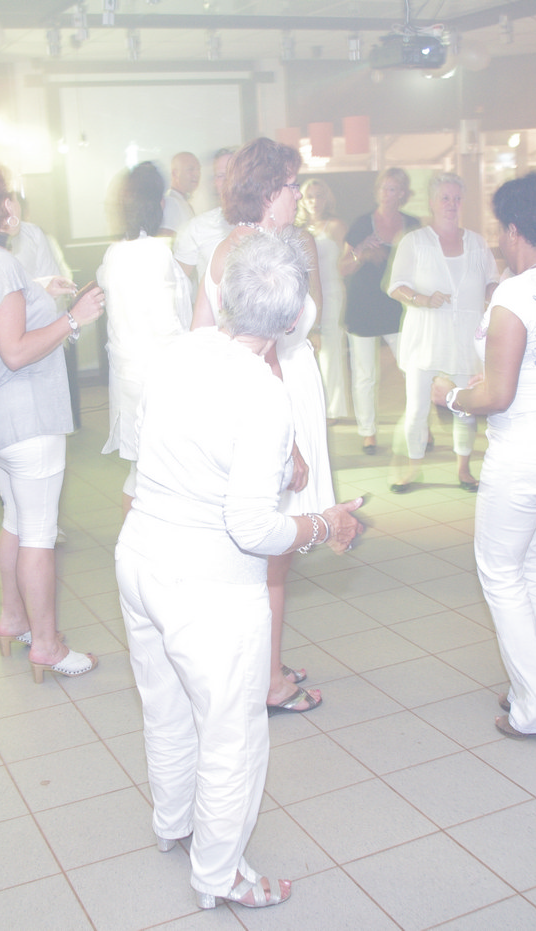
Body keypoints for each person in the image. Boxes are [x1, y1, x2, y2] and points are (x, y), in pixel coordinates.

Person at [117, 232, 362, 911]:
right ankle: (219, 874)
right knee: (232, 734)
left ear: (222, 294)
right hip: (211, 589)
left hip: (141, 558)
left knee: (164, 705)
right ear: (292, 319)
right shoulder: (263, 393)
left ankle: (174, 821)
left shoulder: (179, 351)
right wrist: (324, 525)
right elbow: (252, 527)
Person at [432, 173, 536, 741]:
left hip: (529, 449)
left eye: (502, 227)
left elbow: (497, 396)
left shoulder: (513, 295)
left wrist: (451, 397)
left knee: (501, 573)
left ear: (515, 229)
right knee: (530, 565)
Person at [0, 157, 105, 683]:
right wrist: (73, 318)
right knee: (38, 533)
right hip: (27, 420)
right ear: (5, 205)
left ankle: (13, 620)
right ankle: (47, 646)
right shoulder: (1, 264)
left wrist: (38, 289)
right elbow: (14, 351)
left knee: (15, 521)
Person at [193, 137, 332, 715]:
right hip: (275, 399)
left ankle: (262, 662)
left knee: (260, 552)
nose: (299, 196)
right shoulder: (265, 255)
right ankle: (269, 679)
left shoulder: (229, 247)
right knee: (275, 549)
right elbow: (267, 356)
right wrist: (291, 443)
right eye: (292, 186)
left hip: (246, 394)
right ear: (269, 191)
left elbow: (200, 337)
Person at [386, 171, 499, 492]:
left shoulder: (476, 243)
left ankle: (463, 469)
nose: (451, 204)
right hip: (426, 335)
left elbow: (491, 280)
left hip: (465, 338)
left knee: (465, 408)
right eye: (445, 198)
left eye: (457, 198)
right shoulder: (415, 241)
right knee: (416, 408)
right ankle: (413, 469)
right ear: (433, 203)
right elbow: (396, 286)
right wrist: (421, 299)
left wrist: (496, 294)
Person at [98, 162, 193, 510]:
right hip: (159, 378)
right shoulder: (157, 253)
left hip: (127, 377)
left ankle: (133, 538)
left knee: (138, 471)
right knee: (166, 470)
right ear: (160, 206)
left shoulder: (114, 253)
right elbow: (169, 326)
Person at [342, 168, 421, 454]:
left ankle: (419, 426)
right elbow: (343, 267)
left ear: (403, 193)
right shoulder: (362, 224)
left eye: (393, 189)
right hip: (363, 306)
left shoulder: (413, 225)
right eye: (383, 188)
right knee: (365, 375)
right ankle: (368, 433)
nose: (387, 194)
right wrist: (361, 254)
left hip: (399, 307)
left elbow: (423, 264)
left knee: (413, 370)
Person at [297, 178, 350, 423]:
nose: (314, 201)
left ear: (327, 199)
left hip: (331, 294)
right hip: (303, 297)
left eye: (319, 196)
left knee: (330, 352)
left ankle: (333, 409)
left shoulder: (336, 226)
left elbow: (349, 260)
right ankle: (310, 405)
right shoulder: (297, 228)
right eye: (310, 196)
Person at [173, 147, 234, 288]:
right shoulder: (197, 228)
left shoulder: (265, 223)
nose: (227, 181)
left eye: (232, 173)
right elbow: (178, 286)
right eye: (220, 175)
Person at [160, 151, 200, 235]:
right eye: (191, 169)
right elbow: (166, 237)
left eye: (198, 169)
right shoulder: (171, 202)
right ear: (175, 174)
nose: (196, 174)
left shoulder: (182, 202)